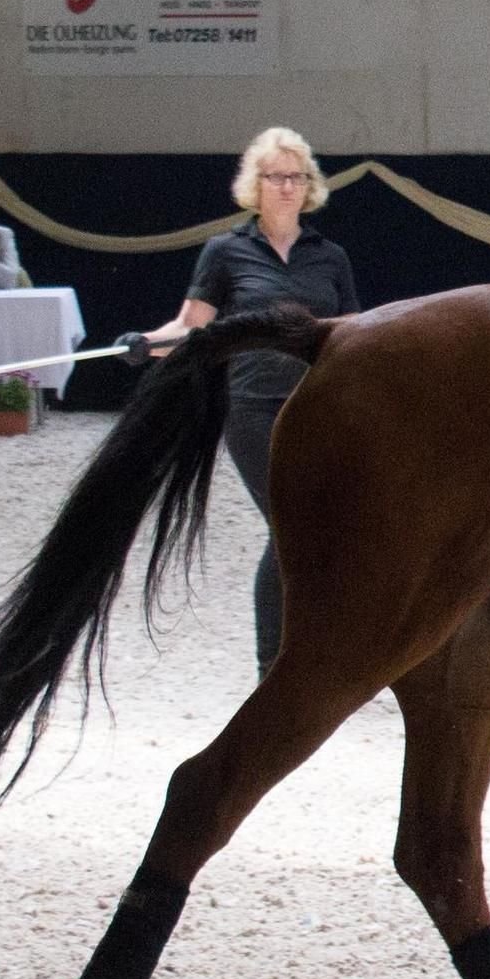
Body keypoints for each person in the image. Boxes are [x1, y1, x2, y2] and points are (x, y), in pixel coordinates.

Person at [129, 128, 358, 678]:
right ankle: (272, 667)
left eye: (296, 177)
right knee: (289, 524)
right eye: (275, 177)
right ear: (254, 185)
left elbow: (350, 330)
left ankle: (317, 652)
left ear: (310, 186)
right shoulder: (227, 252)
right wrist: (144, 345)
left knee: (323, 528)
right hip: (253, 406)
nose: (286, 187)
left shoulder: (329, 257)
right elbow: (190, 327)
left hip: (316, 405)